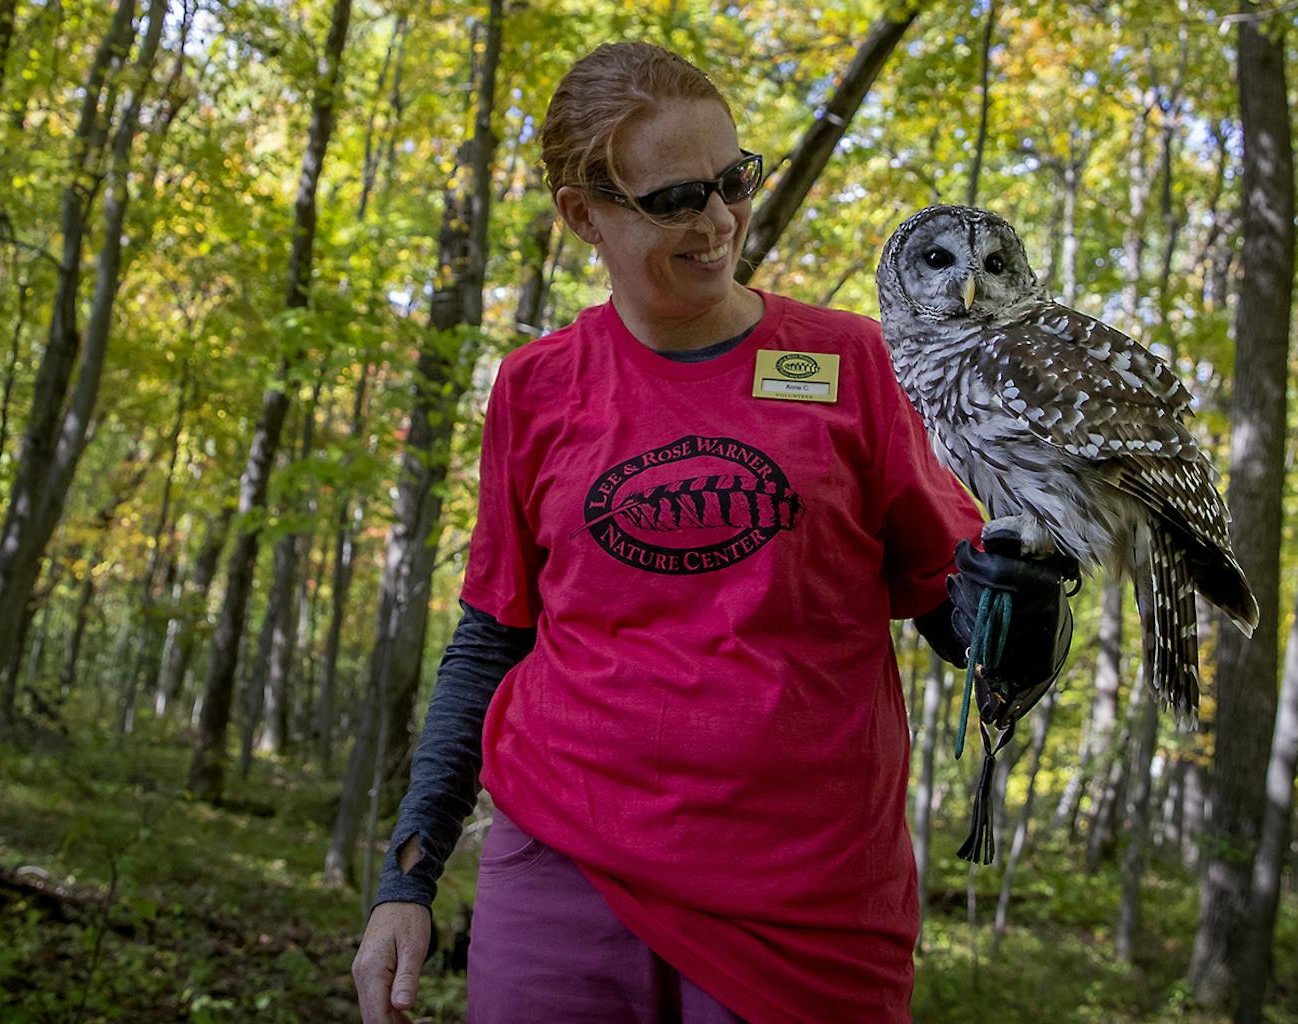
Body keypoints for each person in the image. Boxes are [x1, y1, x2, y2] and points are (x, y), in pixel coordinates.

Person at [350, 41, 1074, 1024]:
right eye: (677, 199)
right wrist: (407, 876)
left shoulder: (847, 361)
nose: (724, 221)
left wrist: (1017, 610)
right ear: (583, 217)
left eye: (735, 181)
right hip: (565, 869)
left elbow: (957, 615)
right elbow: (492, 639)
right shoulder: (539, 388)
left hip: (808, 899)